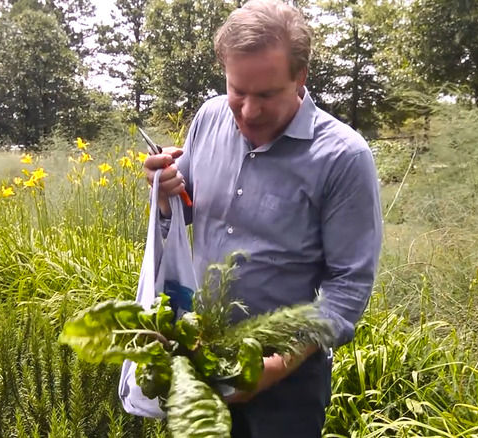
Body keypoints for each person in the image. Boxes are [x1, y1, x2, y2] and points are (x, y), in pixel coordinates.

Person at [143, 0, 383, 436]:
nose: (248, 111)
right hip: (200, 359)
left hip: (286, 384)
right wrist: (167, 194)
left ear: (300, 78)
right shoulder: (209, 118)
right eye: (238, 91)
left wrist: (277, 365)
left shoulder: (343, 157)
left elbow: (348, 286)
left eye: (267, 95)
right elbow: (192, 210)